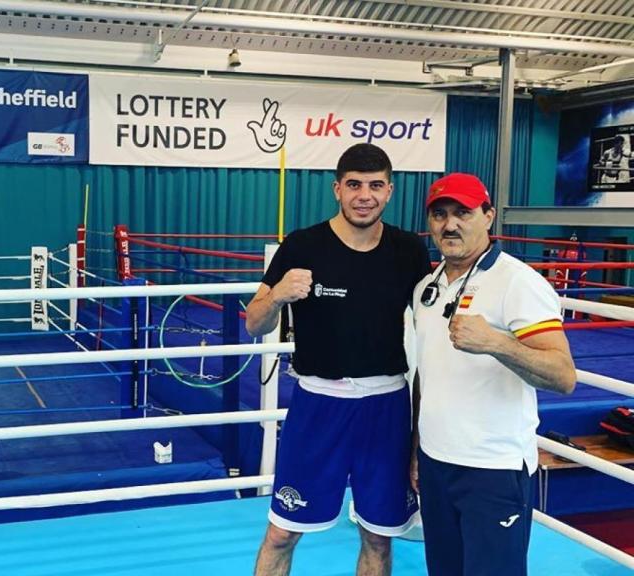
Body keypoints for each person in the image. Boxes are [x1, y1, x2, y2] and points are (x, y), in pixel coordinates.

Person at [247, 143, 431, 576]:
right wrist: (278, 295)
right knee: (281, 532)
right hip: (318, 404)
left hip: (386, 407)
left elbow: (433, 333)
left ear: (389, 191)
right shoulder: (302, 245)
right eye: (354, 185)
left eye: (375, 185)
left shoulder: (408, 250)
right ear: (337, 189)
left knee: (379, 535)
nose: (364, 195)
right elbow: (254, 322)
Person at [410, 173, 577, 576]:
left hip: (493, 468)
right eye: (440, 214)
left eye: (463, 213)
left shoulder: (517, 282)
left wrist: (497, 343)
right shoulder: (427, 287)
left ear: (488, 216)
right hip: (435, 463)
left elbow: (563, 375)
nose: (450, 225)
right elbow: (424, 375)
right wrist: (416, 449)